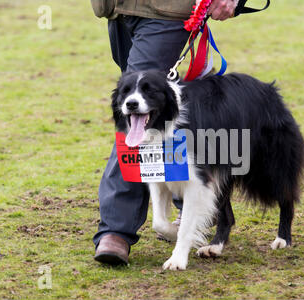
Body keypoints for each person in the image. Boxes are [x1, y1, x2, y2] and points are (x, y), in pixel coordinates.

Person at [92, 0, 238, 265]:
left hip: (166, 10)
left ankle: (116, 229)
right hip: (116, 9)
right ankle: (189, 204)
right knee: (150, 103)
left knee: (139, 116)